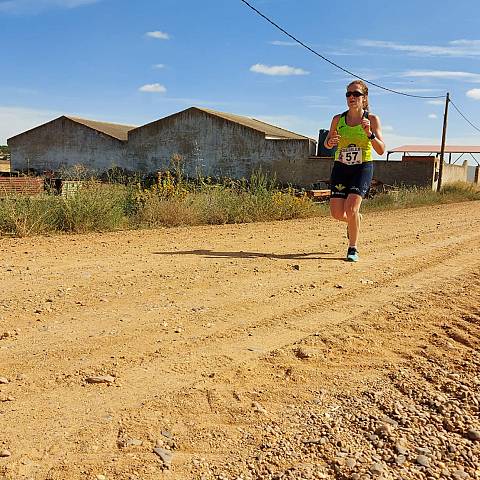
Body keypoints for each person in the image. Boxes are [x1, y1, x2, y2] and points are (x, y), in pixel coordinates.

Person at [324, 80, 385, 262]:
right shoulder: (337, 119)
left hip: (362, 168)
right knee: (336, 214)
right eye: (349, 94)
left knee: (351, 208)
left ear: (364, 98)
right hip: (341, 168)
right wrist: (331, 142)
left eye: (356, 94)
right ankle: (355, 220)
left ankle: (353, 248)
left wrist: (369, 134)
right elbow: (327, 143)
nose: (352, 97)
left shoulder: (372, 120)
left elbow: (381, 149)